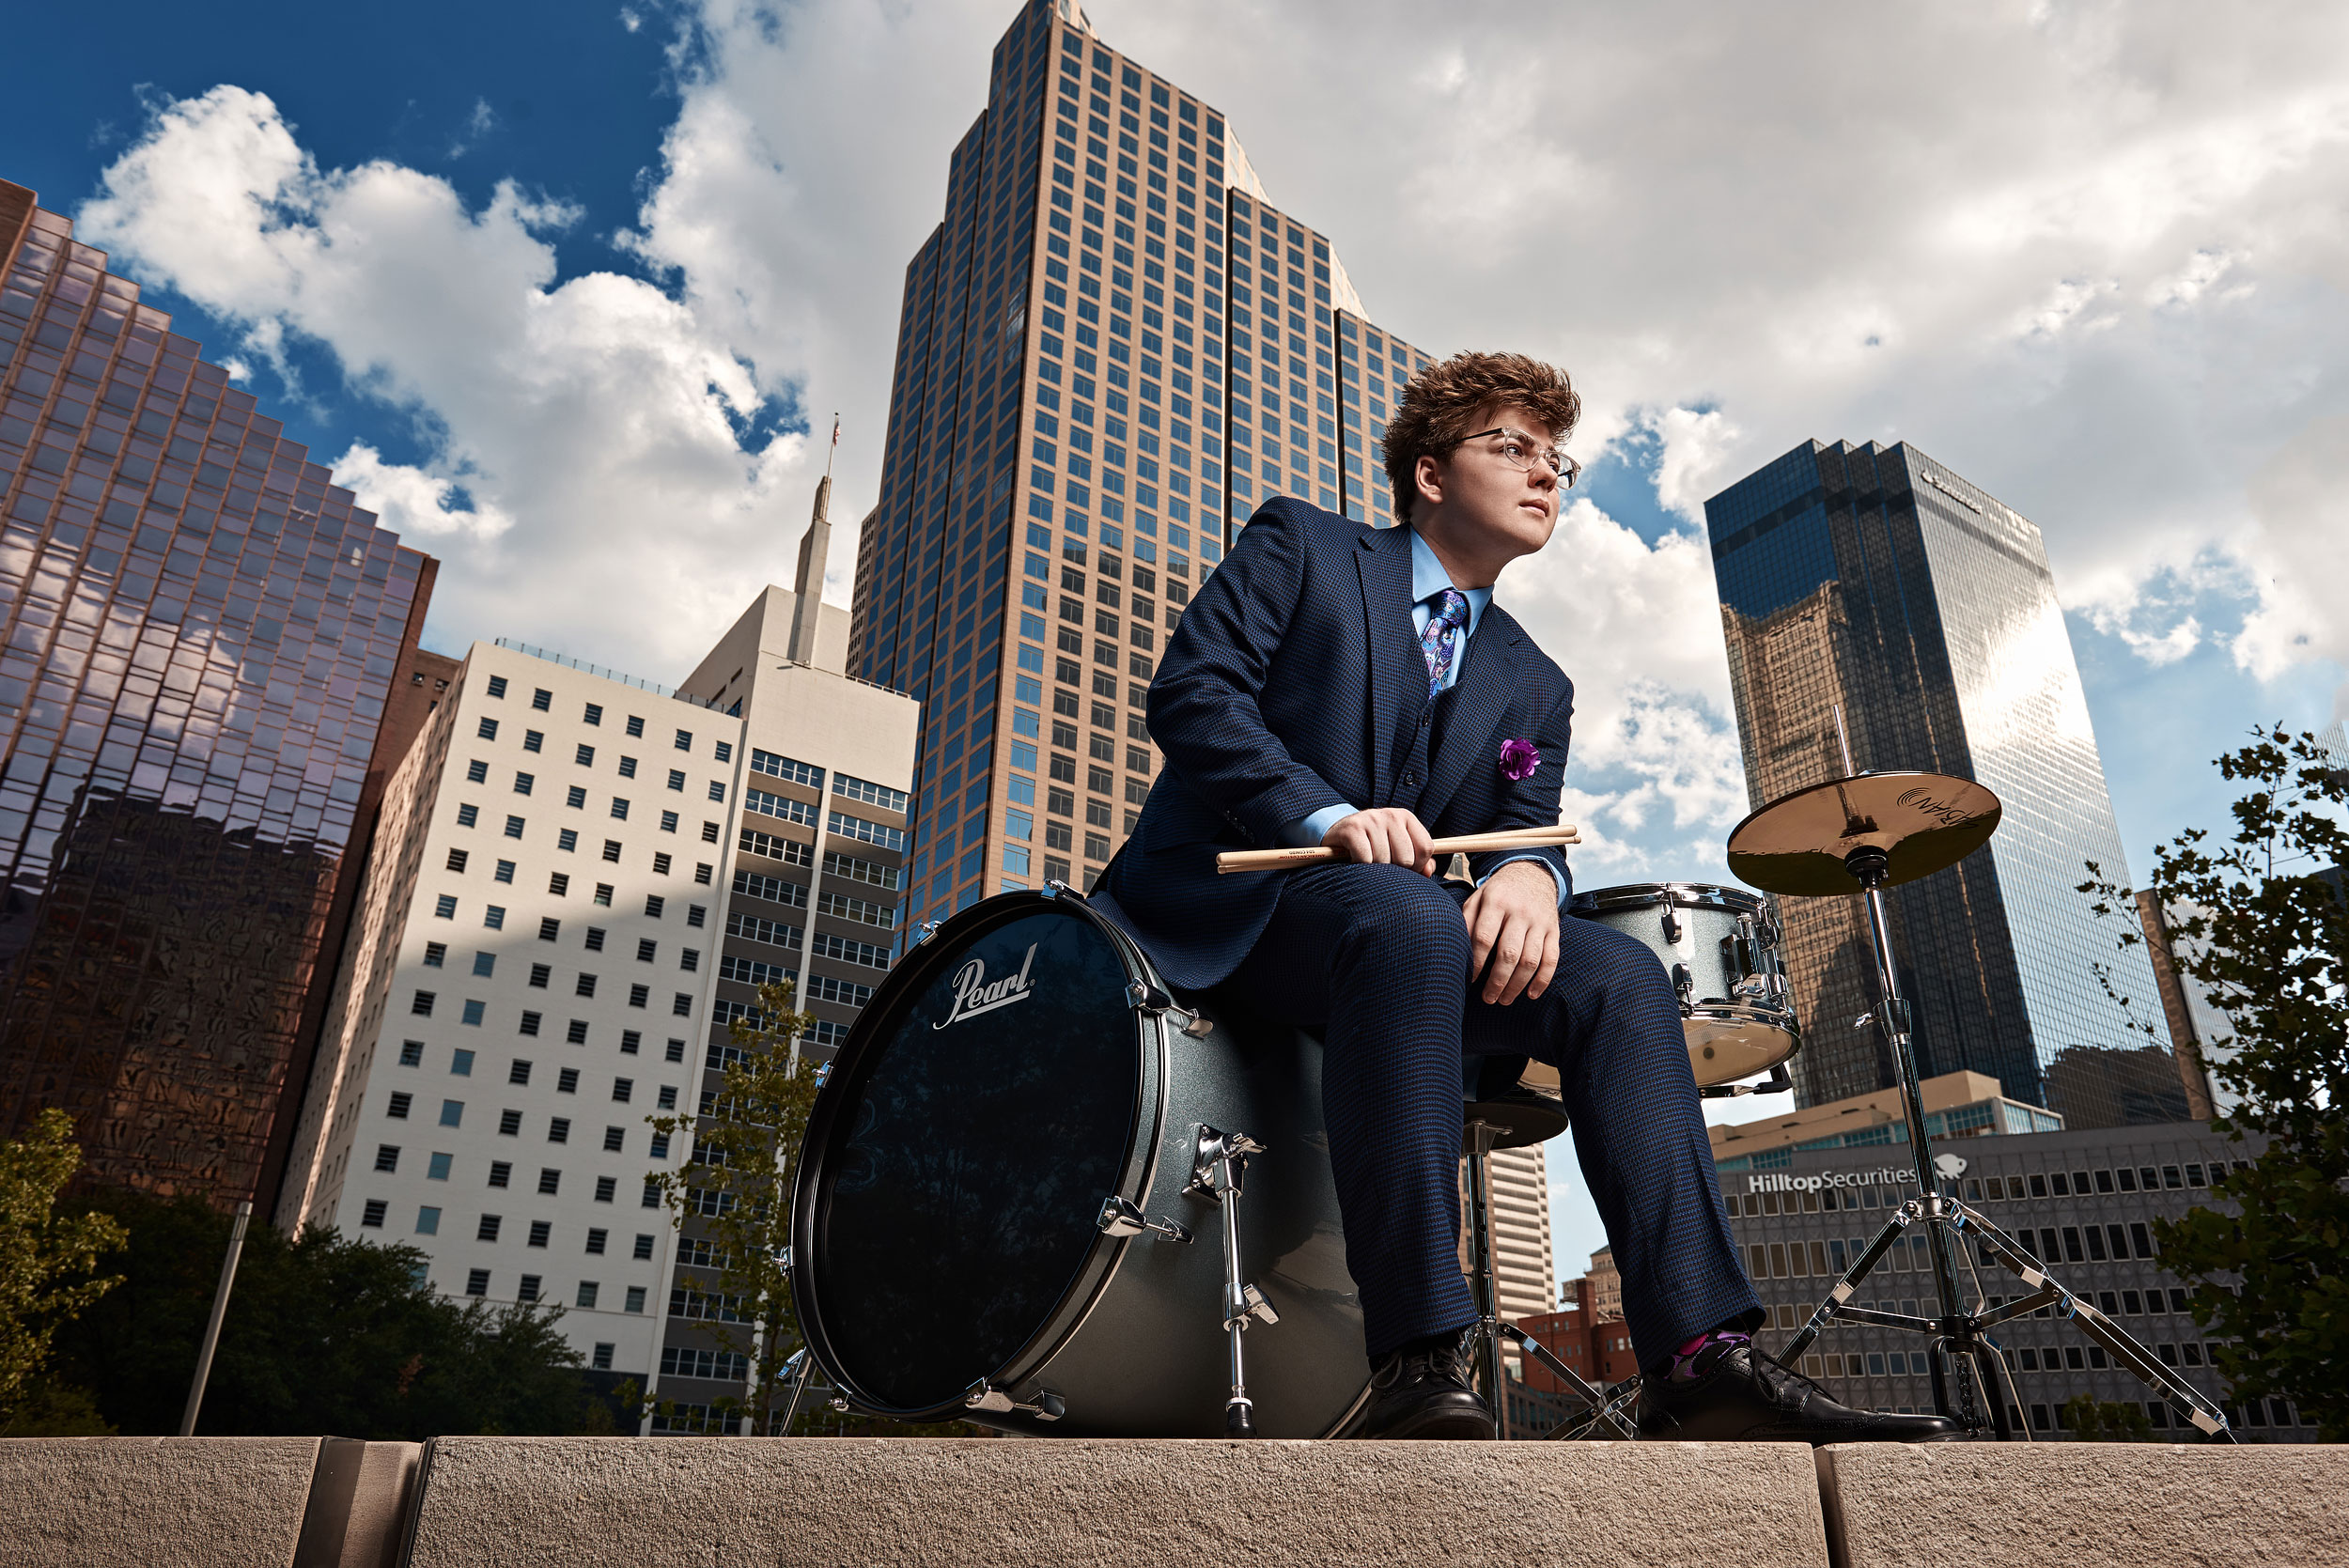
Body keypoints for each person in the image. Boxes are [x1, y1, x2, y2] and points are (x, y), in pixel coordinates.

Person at [1091, 351, 1953, 1443]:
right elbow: (1194, 693)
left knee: (1621, 974)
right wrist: (1321, 815)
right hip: (1225, 912)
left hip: (1386, 943)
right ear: (1430, 474)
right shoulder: (1303, 545)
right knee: (1407, 916)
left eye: (1559, 460)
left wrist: (1528, 880)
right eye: (1511, 448)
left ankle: (1697, 1355)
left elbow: (1524, 823)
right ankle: (1417, 1354)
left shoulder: (1535, 680)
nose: (1545, 475)